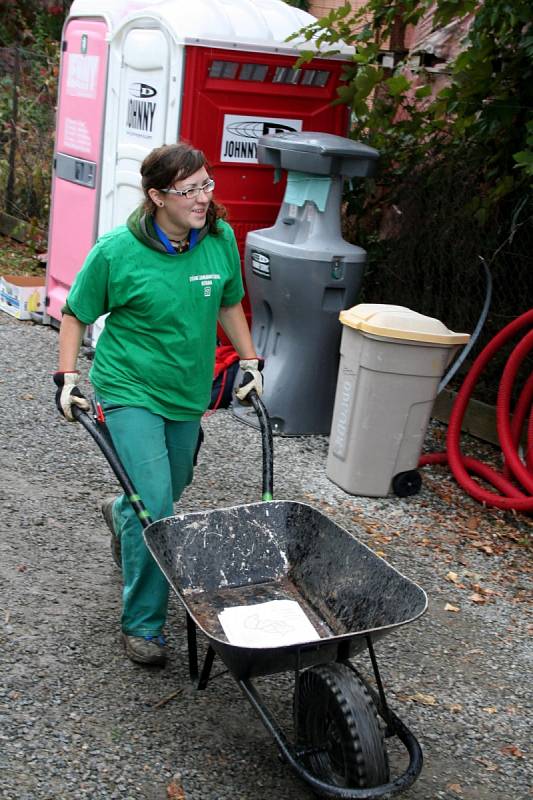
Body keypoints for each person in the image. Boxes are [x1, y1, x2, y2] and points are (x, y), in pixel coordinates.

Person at [53, 142, 263, 667]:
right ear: (156, 196)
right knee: (158, 507)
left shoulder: (217, 239)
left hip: (186, 393)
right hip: (130, 388)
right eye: (189, 190)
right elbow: (77, 313)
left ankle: (121, 511)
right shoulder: (116, 251)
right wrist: (67, 377)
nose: (203, 198)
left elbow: (230, 300)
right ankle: (143, 624)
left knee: (165, 489)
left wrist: (251, 361)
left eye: (207, 185)